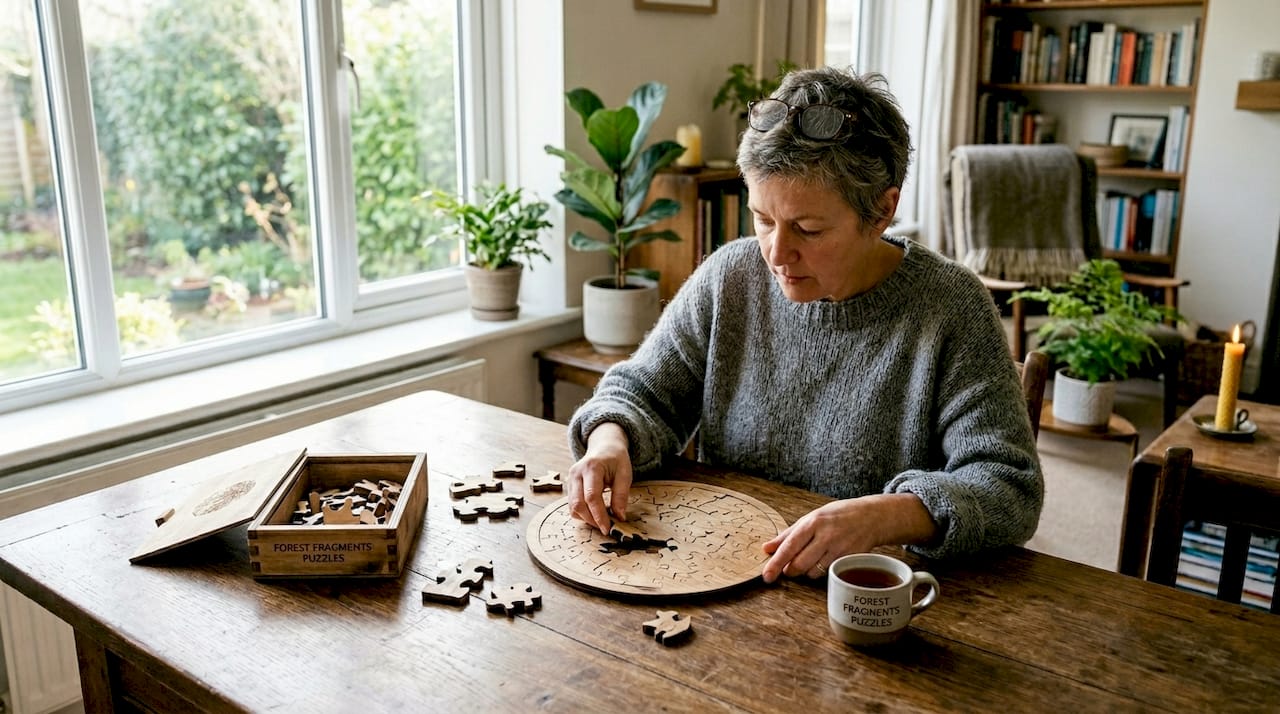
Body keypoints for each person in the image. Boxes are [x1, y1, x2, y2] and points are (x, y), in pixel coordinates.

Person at [565, 66, 1042, 583]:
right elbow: (641, 393)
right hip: (720, 574)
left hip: (867, 600)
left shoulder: (952, 308)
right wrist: (609, 439)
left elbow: (1009, 489)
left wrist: (889, 514)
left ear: (882, 211)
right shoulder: (731, 276)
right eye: (763, 218)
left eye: (808, 229)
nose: (776, 252)